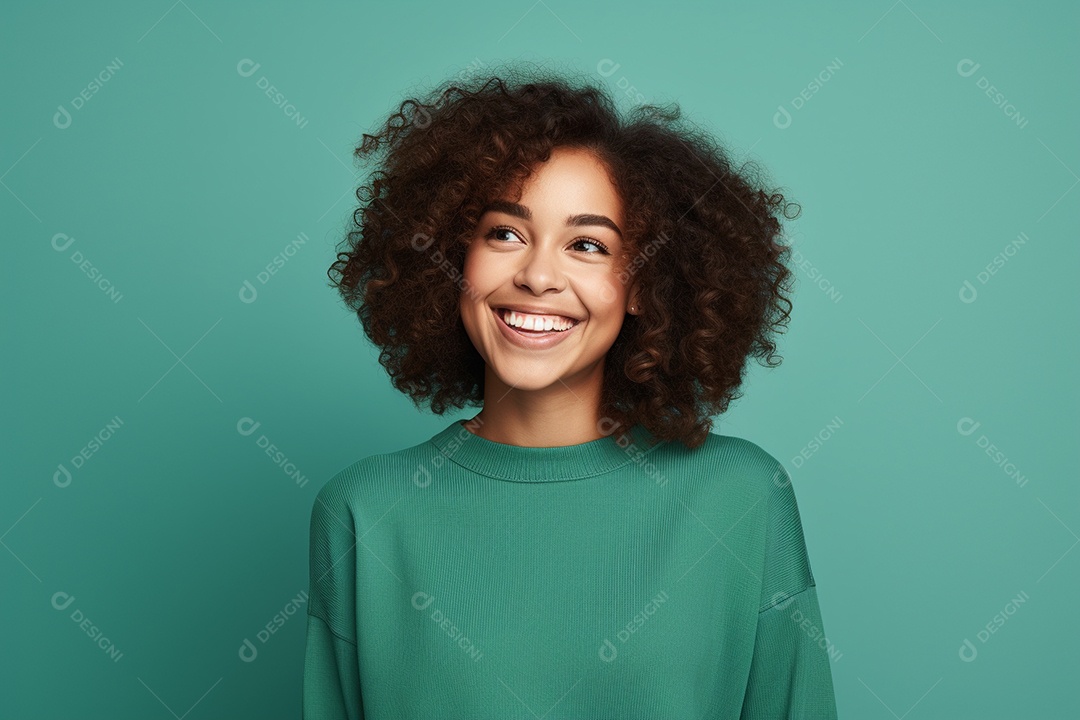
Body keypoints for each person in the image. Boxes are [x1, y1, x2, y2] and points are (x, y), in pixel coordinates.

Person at [304, 62, 839, 719]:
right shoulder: (365, 513)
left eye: (586, 244)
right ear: (451, 256)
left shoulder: (740, 499)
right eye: (505, 233)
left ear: (644, 282)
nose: (537, 276)